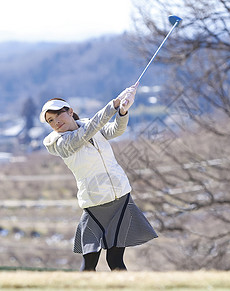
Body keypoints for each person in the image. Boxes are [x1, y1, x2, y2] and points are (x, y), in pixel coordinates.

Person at [39, 84, 158, 271]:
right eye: (50, 121)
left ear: (70, 112)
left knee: (116, 259)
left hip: (121, 197)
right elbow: (87, 133)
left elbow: (114, 131)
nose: (55, 123)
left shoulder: (89, 127)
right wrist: (113, 105)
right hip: (95, 204)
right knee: (90, 263)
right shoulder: (61, 143)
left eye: (57, 116)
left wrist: (123, 111)